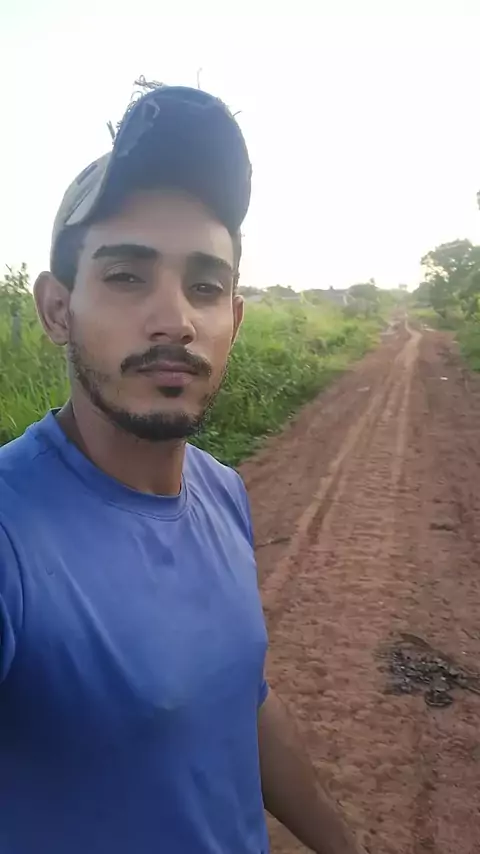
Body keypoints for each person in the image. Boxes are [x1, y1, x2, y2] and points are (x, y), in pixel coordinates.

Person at [0, 84, 363, 854]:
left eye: (205, 286)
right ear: (58, 309)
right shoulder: (11, 537)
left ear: (234, 316)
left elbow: (241, 702)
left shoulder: (222, 491)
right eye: (127, 276)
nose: (176, 320)